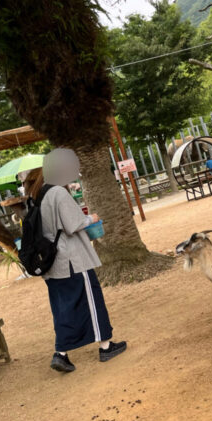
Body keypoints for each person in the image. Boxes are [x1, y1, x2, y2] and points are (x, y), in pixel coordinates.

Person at [32, 148, 126, 373]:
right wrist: (90, 218)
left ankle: (61, 353)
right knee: (91, 300)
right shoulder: (58, 193)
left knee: (64, 307)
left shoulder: (38, 193)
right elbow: (73, 224)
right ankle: (105, 346)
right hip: (72, 258)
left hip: (52, 262)